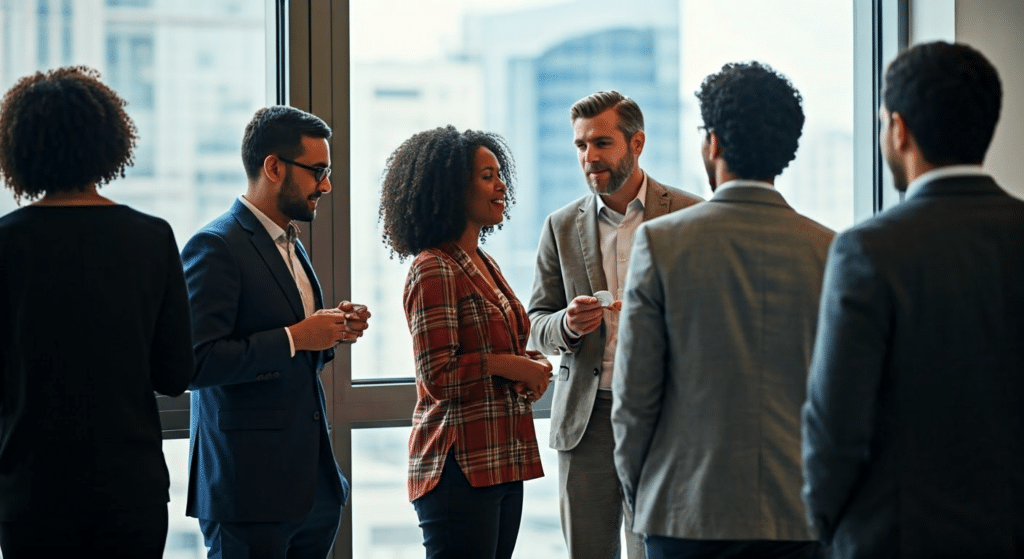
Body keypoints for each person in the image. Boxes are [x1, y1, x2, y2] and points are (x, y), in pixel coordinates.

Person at [802, 41, 1024, 559]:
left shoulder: (868, 249)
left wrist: (830, 527)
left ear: (898, 129)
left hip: (896, 538)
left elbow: (835, 425)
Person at [611, 62, 831, 559]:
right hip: (799, 515)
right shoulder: (830, 250)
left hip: (686, 513)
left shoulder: (662, 243)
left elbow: (635, 397)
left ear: (713, 143)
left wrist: (639, 495)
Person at [0, 66, 194, 557]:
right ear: (108, 143)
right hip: (130, 492)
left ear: (20, 150)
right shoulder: (152, 238)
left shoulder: (4, 244)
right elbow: (175, 374)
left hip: (31, 494)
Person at [182, 105, 370, 559]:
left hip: (313, 492)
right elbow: (194, 363)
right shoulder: (215, 245)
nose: (326, 185)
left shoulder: (290, 243)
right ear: (273, 167)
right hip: (248, 495)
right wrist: (297, 336)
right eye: (318, 171)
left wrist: (332, 333)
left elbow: (298, 356)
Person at [527, 90, 703, 559]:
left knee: (658, 550)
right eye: (581, 146)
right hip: (588, 421)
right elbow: (535, 324)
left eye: (601, 143)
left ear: (637, 143)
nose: (589, 158)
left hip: (666, 417)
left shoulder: (691, 215)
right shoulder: (560, 225)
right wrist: (566, 324)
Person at [378, 125, 552, 559]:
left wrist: (530, 363)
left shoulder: (482, 260)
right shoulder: (432, 268)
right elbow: (438, 377)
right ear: (453, 189)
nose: (501, 184)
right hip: (458, 468)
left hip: (501, 459)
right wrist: (511, 366)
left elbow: (494, 344)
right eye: (487, 175)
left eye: (500, 173)